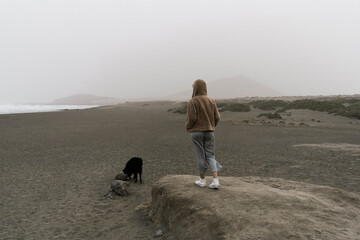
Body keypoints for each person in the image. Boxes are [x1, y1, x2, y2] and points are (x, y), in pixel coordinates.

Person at [186, 79, 222, 189]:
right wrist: (212, 126)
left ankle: (202, 180)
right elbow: (217, 117)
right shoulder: (211, 100)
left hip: (196, 132)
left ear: (195, 88)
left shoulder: (193, 101)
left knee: (200, 155)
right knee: (210, 154)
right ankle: (215, 180)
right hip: (210, 131)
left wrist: (188, 126)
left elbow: (192, 118)